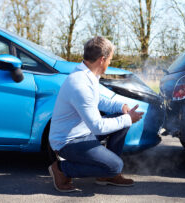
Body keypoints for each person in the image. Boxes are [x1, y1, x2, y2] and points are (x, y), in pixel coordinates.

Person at [48, 36, 144, 192]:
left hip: (84, 132)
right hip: (68, 141)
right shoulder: (79, 84)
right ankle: (61, 169)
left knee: (120, 122)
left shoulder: (88, 75)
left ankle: (106, 175)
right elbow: (98, 127)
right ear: (102, 59)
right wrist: (127, 119)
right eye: (110, 60)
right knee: (115, 165)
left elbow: (99, 101)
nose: (110, 63)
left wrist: (122, 107)